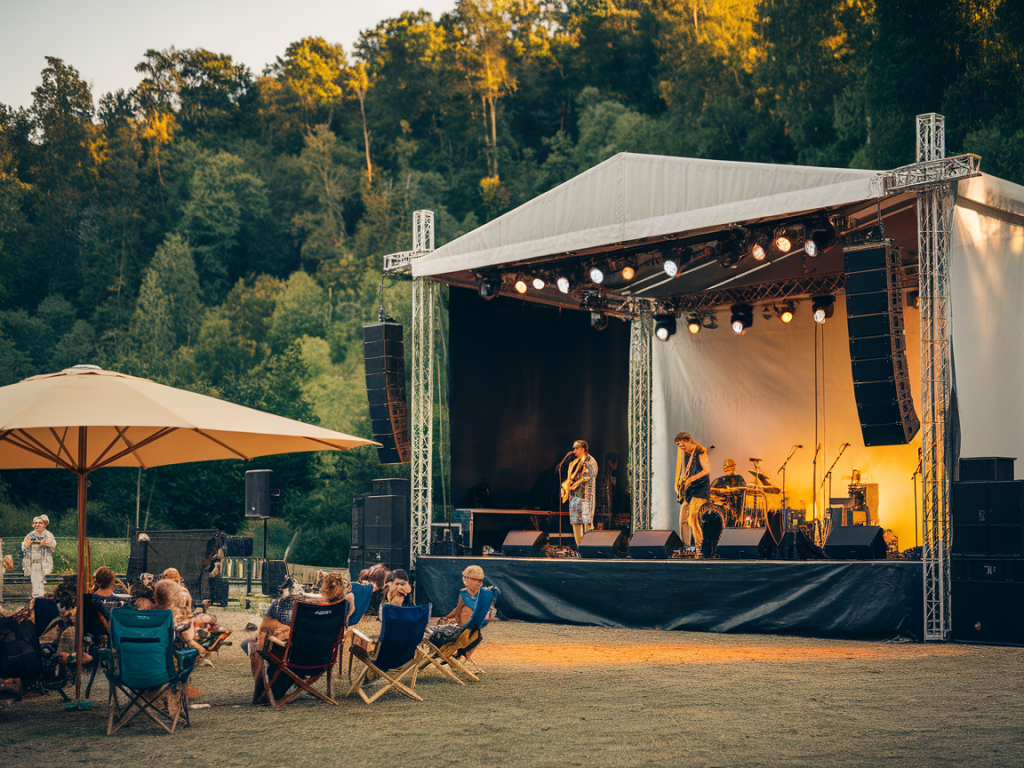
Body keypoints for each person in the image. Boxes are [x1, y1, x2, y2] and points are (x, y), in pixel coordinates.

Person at [428, 564, 493, 674]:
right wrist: (448, 617)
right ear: (466, 580)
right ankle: (461, 658)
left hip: (477, 620)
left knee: (472, 635)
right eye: (476, 579)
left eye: (480, 580)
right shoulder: (463, 593)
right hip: (465, 623)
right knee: (466, 634)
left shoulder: (483, 595)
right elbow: (458, 609)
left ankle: (463, 658)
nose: (479, 582)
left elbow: (487, 611)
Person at [674, 432, 711, 548]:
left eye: (683, 445)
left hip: (700, 490)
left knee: (694, 518)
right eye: (680, 446)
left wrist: (692, 479)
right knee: (683, 519)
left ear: (689, 441)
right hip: (690, 491)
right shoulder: (686, 454)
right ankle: (686, 546)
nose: (682, 448)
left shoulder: (700, 452)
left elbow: (706, 470)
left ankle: (700, 546)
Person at [565, 440, 599, 547]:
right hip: (575, 497)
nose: (574, 451)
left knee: (587, 523)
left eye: (576, 448)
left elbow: (589, 477)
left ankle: (588, 547)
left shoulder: (590, 461)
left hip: (585, 497)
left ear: (582, 449)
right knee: (576, 523)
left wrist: (578, 482)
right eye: (574, 448)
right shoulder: (576, 462)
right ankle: (579, 546)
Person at [22, 515, 57, 598]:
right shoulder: (30, 535)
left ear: (44, 525)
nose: (37, 525)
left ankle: (43, 601)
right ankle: (37, 600)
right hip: (34, 562)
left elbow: (53, 544)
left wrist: (44, 542)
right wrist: (29, 543)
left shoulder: (48, 534)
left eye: (40, 523)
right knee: (36, 583)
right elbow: (24, 546)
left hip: (45, 562)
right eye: (35, 523)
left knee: (44, 584)